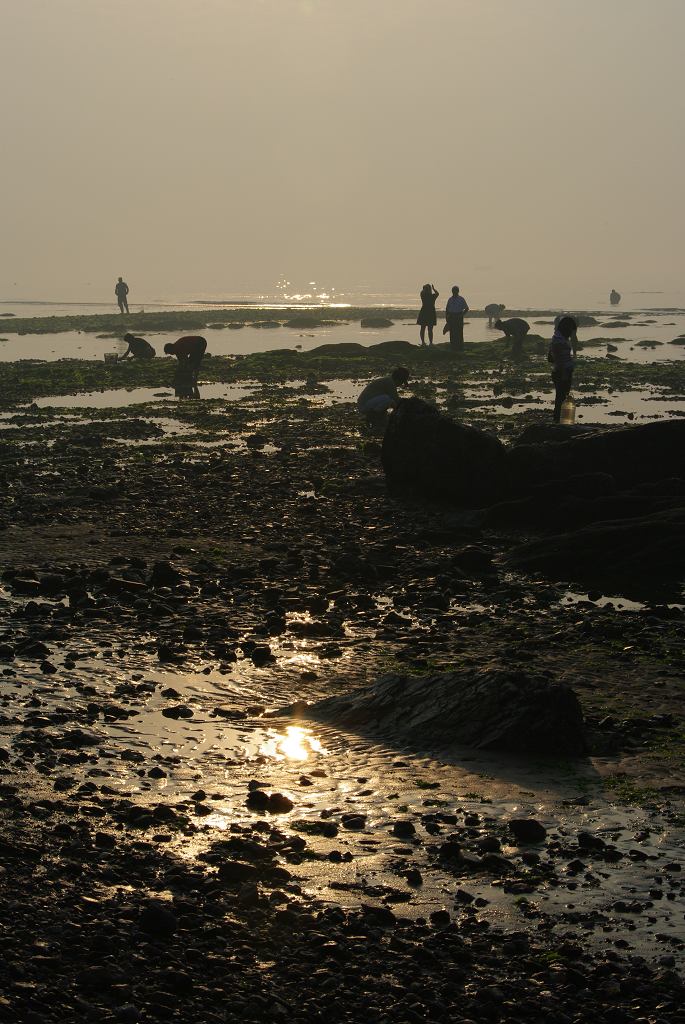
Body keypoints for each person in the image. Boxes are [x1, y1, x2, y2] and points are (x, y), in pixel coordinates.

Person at [548, 315, 577, 423]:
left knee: (561, 398)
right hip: (562, 373)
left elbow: (550, 358)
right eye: (572, 331)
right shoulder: (560, 342)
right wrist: (565, 374)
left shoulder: (557, 338)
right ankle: (559, 422)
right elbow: (560, 361)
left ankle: (559, 421)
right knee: (561, 399)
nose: (572, 334)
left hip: (559, 372)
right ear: (567, 328)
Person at [443, 286, 469, 351]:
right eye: (453, 291)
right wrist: (447, 317)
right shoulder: (450, 299)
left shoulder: (461, 299)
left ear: (458, 291)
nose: (454, 292)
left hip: (459, 315)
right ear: (452, 291)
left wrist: (462, 314)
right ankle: (453, 346)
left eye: (455, 291)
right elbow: (447, 309)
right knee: (452, 332)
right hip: (451, 316)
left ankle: (460, 346)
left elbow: (466, 308)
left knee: (459, 331)